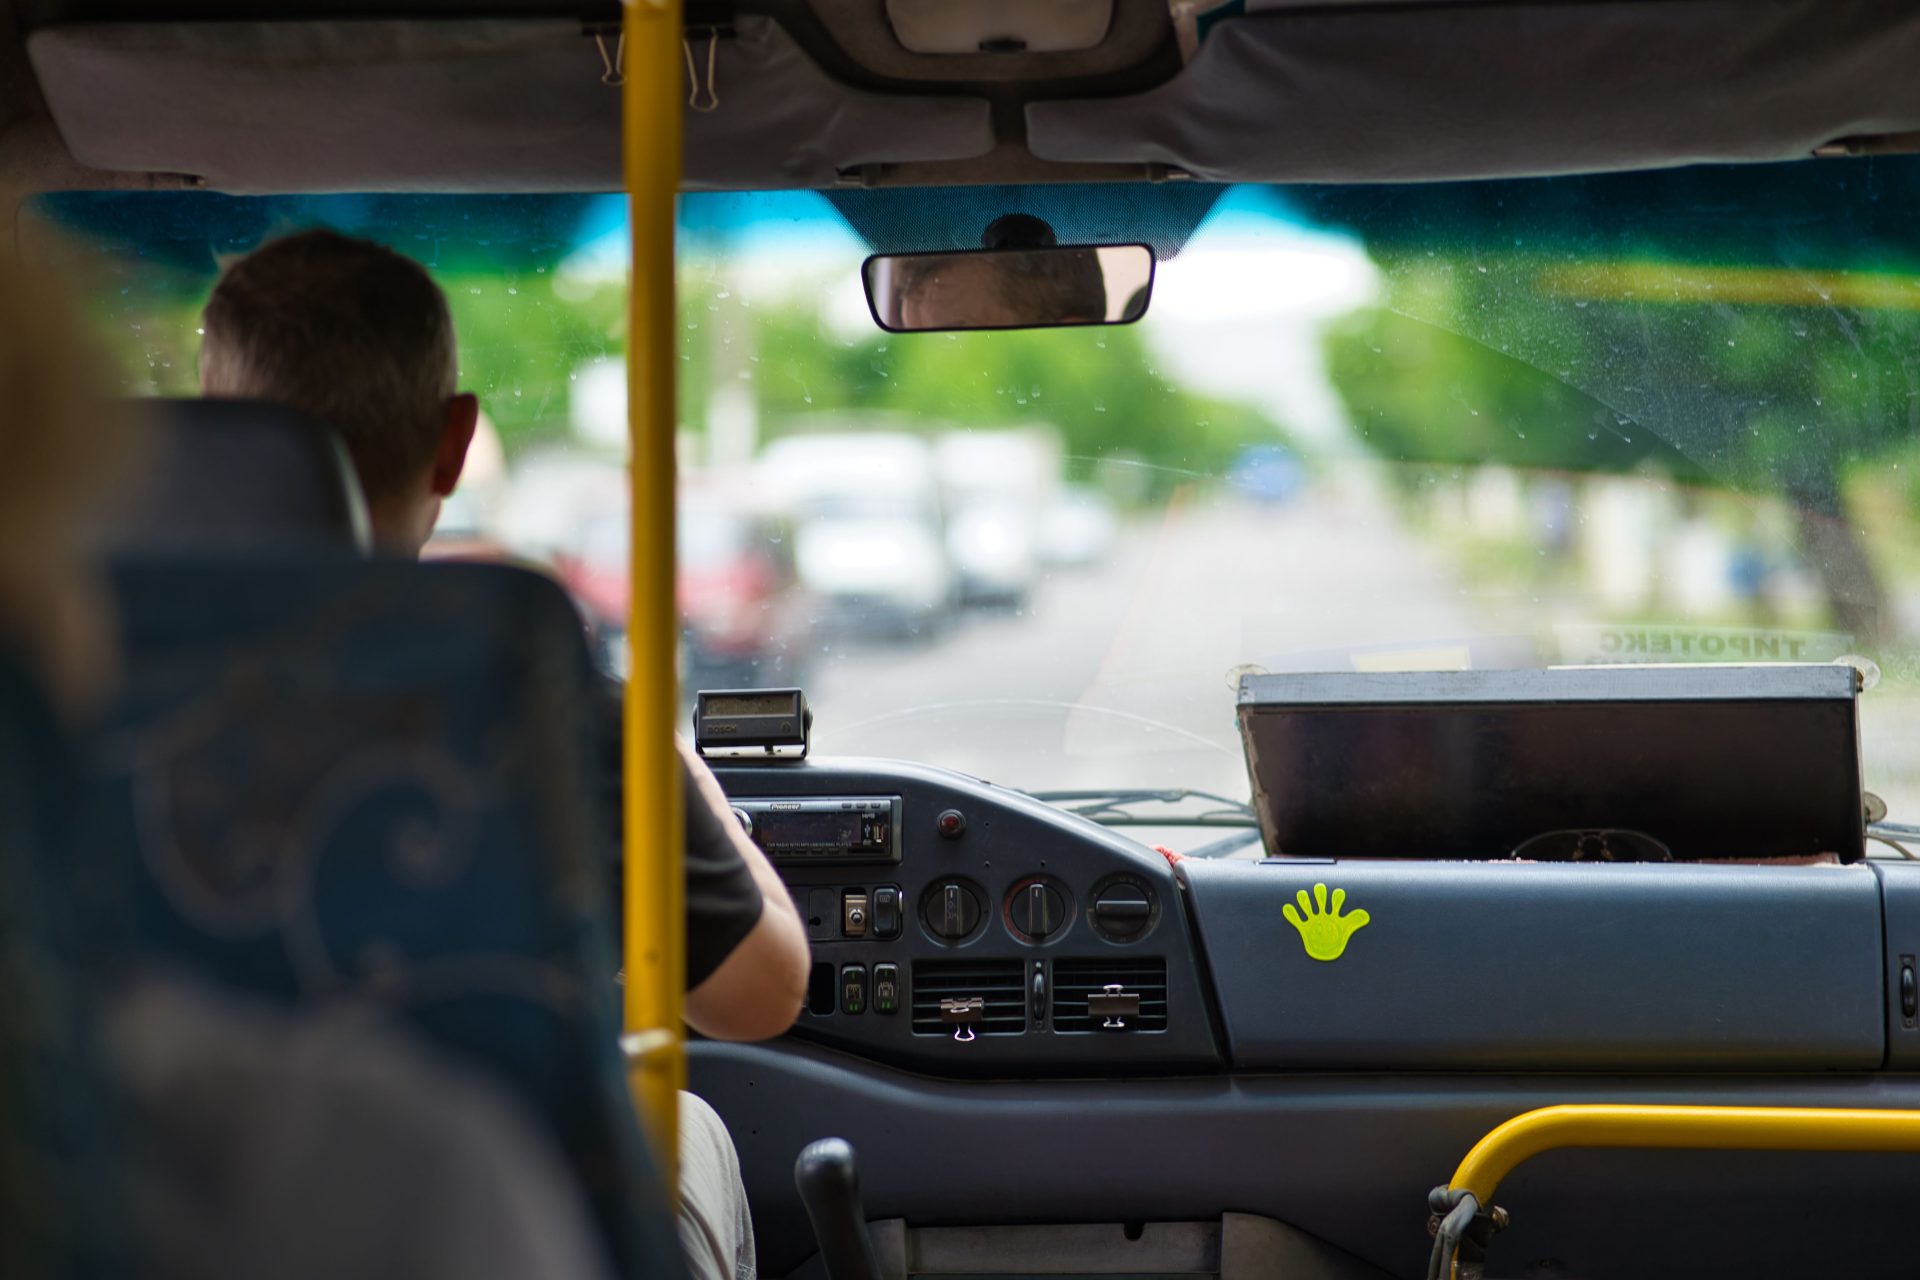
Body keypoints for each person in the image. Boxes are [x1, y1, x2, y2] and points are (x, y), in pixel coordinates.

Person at [200, 228, 808, 1280]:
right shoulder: (526, 691)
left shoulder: (70, 676)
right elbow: (761, 992)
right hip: (494, 1229)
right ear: (454, 441)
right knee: (687, 1123)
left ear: (218, 438)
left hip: (151, 1215)